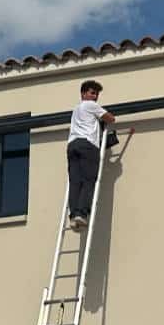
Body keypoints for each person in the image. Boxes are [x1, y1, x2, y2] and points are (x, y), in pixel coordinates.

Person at [67, 80, 116, 230]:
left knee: (75, 182)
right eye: (92, 93)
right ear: (83, 94)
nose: (95, 97)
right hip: (87, 146)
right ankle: (82, 214)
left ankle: (74, 215)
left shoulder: (76, 110)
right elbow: (110, 118)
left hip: (72, 146)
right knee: (89, 180)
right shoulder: (90, 105)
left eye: (97, 94)